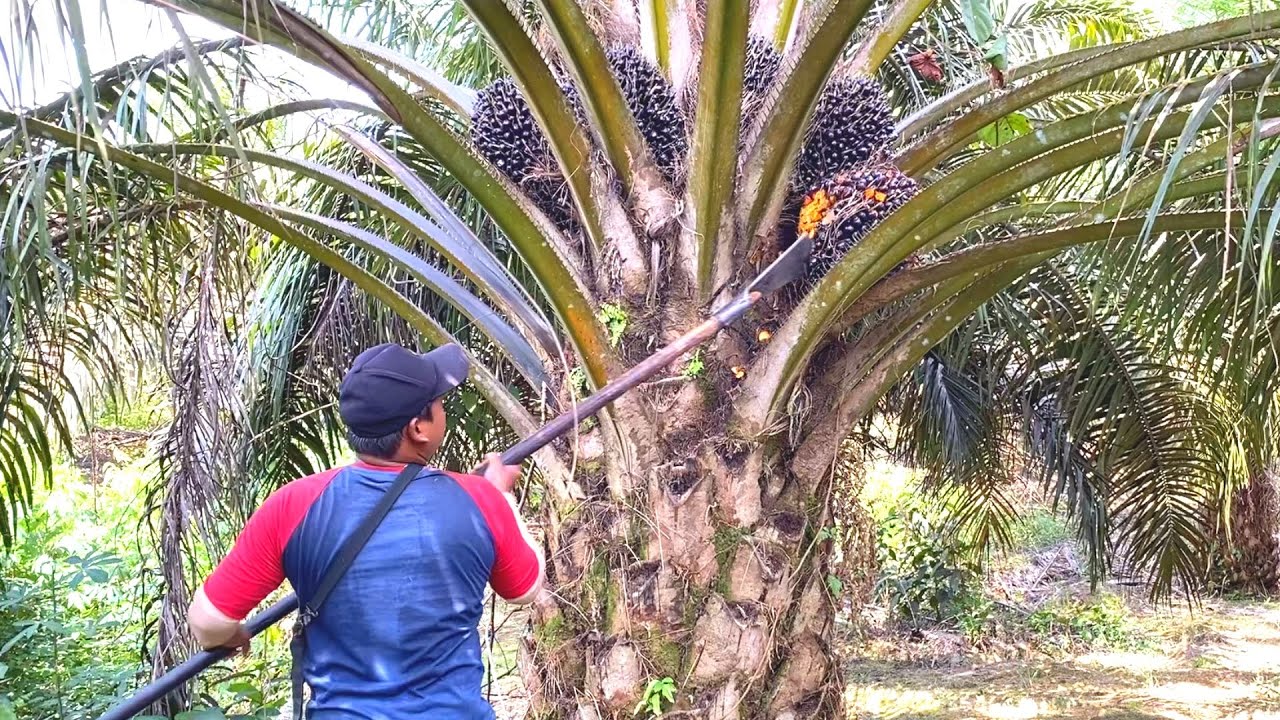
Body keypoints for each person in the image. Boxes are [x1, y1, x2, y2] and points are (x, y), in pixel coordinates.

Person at [186, 342, 544, 718]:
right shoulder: (479, 499)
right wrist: (501, 495)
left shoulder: (292, 505)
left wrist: (231, 634)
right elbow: (525, 589)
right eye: (438, 402)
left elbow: (208, 622)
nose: (443, 410)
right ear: (418, 428)